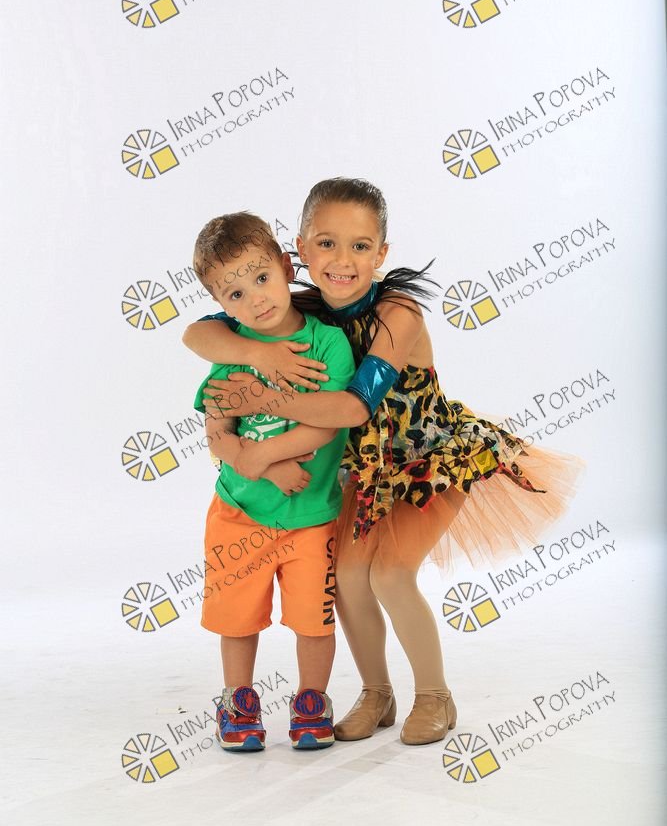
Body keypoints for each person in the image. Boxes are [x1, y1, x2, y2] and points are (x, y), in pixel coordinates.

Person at [185, 180, 583, 747]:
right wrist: (255, 353)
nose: (342, 261)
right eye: (326, 244)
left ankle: (435, 695)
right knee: (347, 578)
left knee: (390, 574)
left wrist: (265, 398)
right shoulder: (296, 305)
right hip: (367, 471)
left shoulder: (398, 314)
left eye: (360, 246)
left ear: (382, 253)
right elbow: (198, 332)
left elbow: (354, 408)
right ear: (299, 251)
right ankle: (377, 693)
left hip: (428, 461)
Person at [190, 211, 356, 751]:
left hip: (312, 516)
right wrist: (261, 465)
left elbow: (328, 422)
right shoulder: (229, 351)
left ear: (286, 267)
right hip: (238, 514)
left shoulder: (327, 344)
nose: (256, 299)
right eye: (236, 294)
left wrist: (262, 453)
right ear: (221, 303)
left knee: (314, 619)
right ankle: (238, 700)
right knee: (237, 618)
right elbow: (219, 435)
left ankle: (312, 699)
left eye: (262, 278)